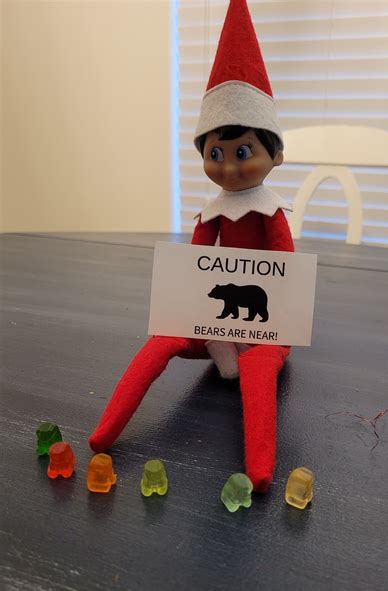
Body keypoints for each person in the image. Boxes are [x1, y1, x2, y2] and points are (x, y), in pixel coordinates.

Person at [88, 0, 294, 492]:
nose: (228, 166)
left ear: (276, 155)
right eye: (215, 153)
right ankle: (103, 434)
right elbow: (195, 267)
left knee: (259, 366)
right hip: (213, 322)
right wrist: (187, 316)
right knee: (161, 340)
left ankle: (260, 469)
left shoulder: (271, 213)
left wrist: (270, 329)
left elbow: (284, 271)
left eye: (243, 151)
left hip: (264, 326)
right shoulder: (211, 213)